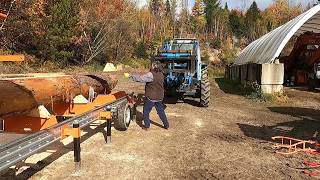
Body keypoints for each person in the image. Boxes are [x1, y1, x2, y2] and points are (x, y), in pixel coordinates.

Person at [125, 61, 169, 130]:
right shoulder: (161, 74)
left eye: (151, 65)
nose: (150, 66)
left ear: (154, 66)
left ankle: (147, 126)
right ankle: (166, 125)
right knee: (161, 111)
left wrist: (130, 76)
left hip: (151, 97)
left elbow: (140, 78)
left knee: (146, 111)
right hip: (160, 96)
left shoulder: (150, 74)